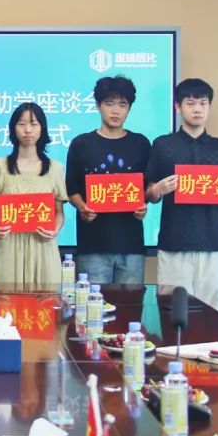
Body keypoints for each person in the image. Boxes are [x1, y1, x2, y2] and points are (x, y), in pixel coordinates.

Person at [147, 78, 218, 312]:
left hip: (212, 243)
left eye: (203, 103)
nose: (197, 109)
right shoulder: (162, 145)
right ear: (178, 106)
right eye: (190, 103)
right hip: (174, 243)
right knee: (172, 311)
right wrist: (158, 189)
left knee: (212, 311)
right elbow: (148, 193)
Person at [64, 76, 151, 284]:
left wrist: (144, 204)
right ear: (98, 105)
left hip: (131, 246)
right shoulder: (81, 144)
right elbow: (71, 187)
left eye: (122, 104)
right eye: (109, 103)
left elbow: (148, 186)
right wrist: (82, 207)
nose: (115, 110)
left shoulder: (141, 143)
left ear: (129, 108)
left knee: (130, 302)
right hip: (93, 245)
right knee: (93, 302)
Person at [0, 102, 68, 285]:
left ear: (42, 128)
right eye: (21, 124)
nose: (28, 130)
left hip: (44, 247)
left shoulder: (55, 168)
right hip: (9, 248)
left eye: (34, 124)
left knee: (46, 300)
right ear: (13, 128)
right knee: (8, 300)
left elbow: (59, 212)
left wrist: (55, 230)